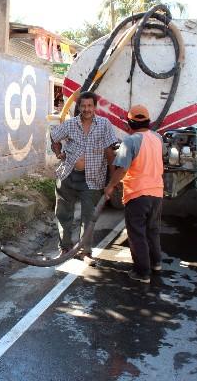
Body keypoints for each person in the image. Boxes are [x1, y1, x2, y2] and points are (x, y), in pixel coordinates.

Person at [50, 91, 118, 265]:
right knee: (64, 214)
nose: (86, 109)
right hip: (68, 175)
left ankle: (85, 251)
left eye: (90, 105)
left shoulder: (104, 125)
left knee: (88, 217)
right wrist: (58, 153)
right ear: (78, 107)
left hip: (93, 178)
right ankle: (64, 248)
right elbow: (54, 136)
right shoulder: (71, 124)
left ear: (95, 107)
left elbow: (110, 153)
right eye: (83, 106)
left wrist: (111, 180)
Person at [104, 105, 164, 284]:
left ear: (129, 122)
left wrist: (110, 186)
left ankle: (142, 272)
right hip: (157, 192)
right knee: (152, 230)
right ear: (148, 121)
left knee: (137, 233)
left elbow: (122, 169)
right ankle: (156, 264)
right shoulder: (158, 138)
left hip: (138, 193)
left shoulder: (130, 141)